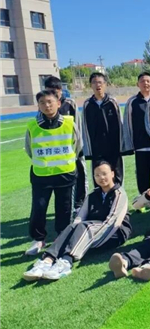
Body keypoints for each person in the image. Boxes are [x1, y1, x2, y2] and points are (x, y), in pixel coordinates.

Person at [23, 161, 132, 281]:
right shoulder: (92, 195)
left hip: (114, 234)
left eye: (104, 174)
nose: (101, 177)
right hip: (88, 230)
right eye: (97, 175)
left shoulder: (119, 193)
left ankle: (66, 262)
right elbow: (79, 218)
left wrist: (91, 240)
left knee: (84, 227)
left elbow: (112, 222)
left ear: (112, 174)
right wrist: (71, 234)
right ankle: (47, 261)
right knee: (73, 226)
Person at [24, 90, 83, 256]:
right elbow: (29, 149)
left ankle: (61, 237)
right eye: (42, 103)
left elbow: (78, 145)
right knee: (39, 207)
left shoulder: (69, 123)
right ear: (38, 106)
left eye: (50, 101)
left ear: (58, 103)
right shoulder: (32, 126)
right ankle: (38, 239)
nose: (47, 105)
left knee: (64, 208)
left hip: (65, 173)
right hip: (41, 175)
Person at [44, 76, 87, 208]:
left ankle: (80, 203)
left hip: (72, 148)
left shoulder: (69, 103)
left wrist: (78, 147)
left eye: (54, 91)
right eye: (49, 90)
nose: (52, 94)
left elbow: (78, 125)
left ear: (60, 90)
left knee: (80, 174)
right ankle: (66, 206)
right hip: (56, 151)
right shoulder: (44, 105)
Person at [122, 72, 150, 195]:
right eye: (142, 81)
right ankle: (144, 200)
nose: (145, 83)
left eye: (148, 81)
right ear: (137, 84)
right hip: (141, 146)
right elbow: (127, 124)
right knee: (142, 177)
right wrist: (129, 145)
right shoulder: (132, 102)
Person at [81, 72, 124, 186]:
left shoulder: (112, 102)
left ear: (105, 84)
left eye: (100, 82)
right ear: (90, 85)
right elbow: (84, 127)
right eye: (94, 82)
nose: (97, 85)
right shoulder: (87, 104)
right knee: (99, 177)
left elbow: (121, 124)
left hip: (113, 147)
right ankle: (100, 197)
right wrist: (88, 149)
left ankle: (117, 196)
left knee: (116, 176)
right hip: (97, 148)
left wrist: (122, 145)